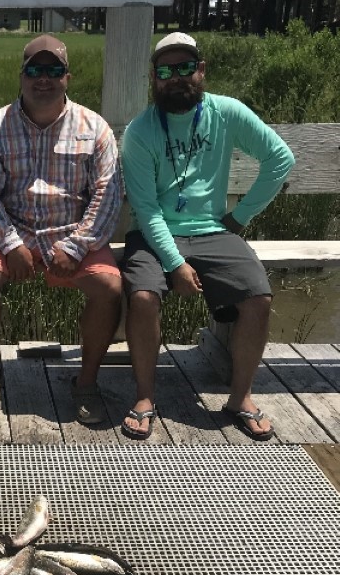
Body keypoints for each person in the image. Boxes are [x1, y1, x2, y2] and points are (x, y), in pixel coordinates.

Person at [119, 31, 295, 440]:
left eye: (185, 68)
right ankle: (145, 396)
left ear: (201, 71)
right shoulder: (141, 131)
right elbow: (145, 211)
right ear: (153, 77)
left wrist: (241, 216)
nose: (176, 77)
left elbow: (280, 158)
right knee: (143, 297)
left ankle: (241, 398)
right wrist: (175, 263)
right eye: (166, 70)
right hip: (153, 232)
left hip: (215, 231)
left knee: (258, 296)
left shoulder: (227, 112)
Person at [0, 34, 124, 423]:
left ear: (67, 77)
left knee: (110, 287)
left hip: (72, 232)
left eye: (54, 71)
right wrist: (9, 243)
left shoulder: (96, 129)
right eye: (34, 70)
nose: (43, 79)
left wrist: (77, 246)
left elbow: (108, 194)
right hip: (12, 231)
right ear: (21, 76)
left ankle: (86, 383)